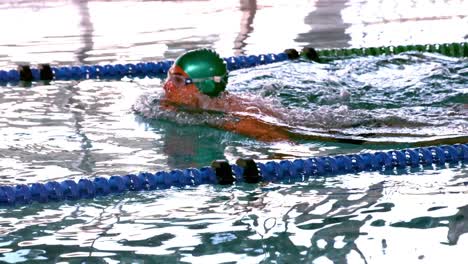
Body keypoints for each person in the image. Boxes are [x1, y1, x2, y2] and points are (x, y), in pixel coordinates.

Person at [161, 48, 294, 142]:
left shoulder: (233, 120)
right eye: (169, 77)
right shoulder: (207, 108)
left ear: (205, 86)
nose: (166, 86)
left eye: (177, 80)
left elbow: (285, 143)